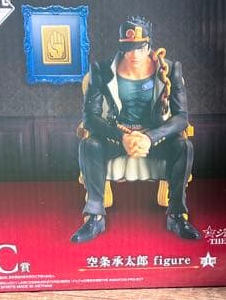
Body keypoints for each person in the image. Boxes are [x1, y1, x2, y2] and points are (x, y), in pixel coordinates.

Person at [71, 17, 202, 244]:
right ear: (121, 46)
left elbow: (182, 118)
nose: (134, 54)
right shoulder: (101, 70)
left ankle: (176, 215)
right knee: (89, 144)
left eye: (140, 47)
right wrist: (122, 137)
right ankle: (94, 217)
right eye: (128, 48)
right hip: (117, 136)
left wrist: (150, 137)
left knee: (183, 145)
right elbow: (90, 118)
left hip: (154, 137)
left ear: (149, 45)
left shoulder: (170, 69)